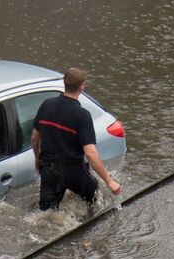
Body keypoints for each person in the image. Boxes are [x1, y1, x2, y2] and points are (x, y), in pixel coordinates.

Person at [31, 67, 122, 210]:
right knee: (97, 200)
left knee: (46, 212)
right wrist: (109, 181)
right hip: (73, 171)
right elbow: (90, 153)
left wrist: (38, 160)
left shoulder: (46, 105)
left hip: (49, 169)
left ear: (64, 83)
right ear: (82, 87)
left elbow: (35, 138)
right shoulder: (82, 115)